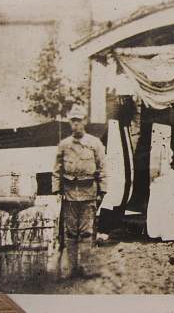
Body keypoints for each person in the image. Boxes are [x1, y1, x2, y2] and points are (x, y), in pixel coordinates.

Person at [52, 105, 107, 278]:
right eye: (73, 121)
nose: (76, 124)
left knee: (86, 232)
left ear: (85, 121)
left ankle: (85, 268)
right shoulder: (64, 145)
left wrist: (102, 190)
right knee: (70, 233)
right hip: (69, 195)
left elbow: (102, 168)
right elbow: (57, 169)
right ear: (70, 122)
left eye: (79, 120)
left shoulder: (95, 144)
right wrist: (56, 190)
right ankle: (71, 269)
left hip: (88, 193)